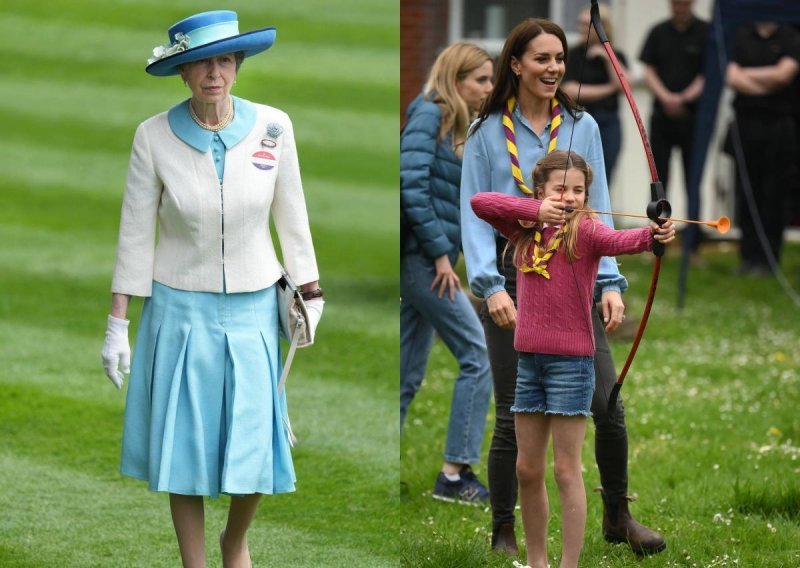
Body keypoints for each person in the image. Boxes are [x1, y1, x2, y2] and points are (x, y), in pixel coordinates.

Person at [100, 10, 324, 567]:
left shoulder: (275, 126)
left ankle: (235, 542)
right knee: (185, 445)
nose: (214, 73)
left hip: (253, 307)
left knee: (256, 437)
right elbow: (134, 232)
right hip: (178, 307)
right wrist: (116, 324)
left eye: (224, 60)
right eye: (201, 62)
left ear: (239, 64)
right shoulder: (151, 137)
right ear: (182, 71)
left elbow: (292, 218)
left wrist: (311, 293)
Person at [460, 18, 667, 556]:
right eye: (541, 59)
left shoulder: (582, 126)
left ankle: (618, 515)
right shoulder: (487, 133)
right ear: (515, 65)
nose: (553, 69)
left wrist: (610, 282)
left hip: (577, 275)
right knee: (513, 412)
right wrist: (488, 285)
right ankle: (504, 528)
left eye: (559, 60)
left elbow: (596, 215)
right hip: (513, 277)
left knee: (606, 401)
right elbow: (476, 211)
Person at [471, 151, 674, 568]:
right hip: (529, 362)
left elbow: (623, 241)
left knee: (566, 470)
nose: (570, 197)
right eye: (560, 189)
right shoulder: (524, 231)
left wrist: (654, 236)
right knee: (528, 469)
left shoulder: (586, 232)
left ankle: (569, 565)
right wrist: (535, 210)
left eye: (579, 190)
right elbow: (480, 203)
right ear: (541, 191)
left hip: (572, 366)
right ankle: (537, 562)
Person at [400, 42, 494, 504]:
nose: (488, 89)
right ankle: (454, 476)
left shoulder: (456, 122)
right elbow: (410, 186)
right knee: (478, 356)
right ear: (456, 80)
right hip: (422, 263)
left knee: (405, 375)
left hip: (425, 260)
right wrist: (440, 253)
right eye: (481, 80)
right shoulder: (430, 113)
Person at [726, 21, 800, 276]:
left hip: (779, 125)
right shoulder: (742, 34)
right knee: (747, 192)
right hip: (746, 124)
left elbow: (784, 75)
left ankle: (769, 259)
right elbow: (731, 76)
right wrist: (767, 82)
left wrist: (748, 75)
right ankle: (748, 257)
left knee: (774, 194)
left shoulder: (790, 35)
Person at [639, 0, 708, 253]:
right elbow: (648, 71)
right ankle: (655, 242)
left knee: (694, 180)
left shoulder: (705, 31)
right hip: (662, 119)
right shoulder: (658, 32)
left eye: (684, 3)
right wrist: (666, 96)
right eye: (675, 3)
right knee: (659, 183)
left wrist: (684, 97)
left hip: (693, 119)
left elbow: (708, 73)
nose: (679, 7)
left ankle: (693, 248)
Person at [562, 4, 628, 186]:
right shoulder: (573, 54)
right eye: (580, 24)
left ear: (601, 27)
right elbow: (571, 91)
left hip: (609, 123)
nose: (581, 29)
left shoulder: (615, 55)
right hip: (579, 120)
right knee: (578, 174)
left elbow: (624, 85)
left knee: (605, 177)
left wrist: (608, 58)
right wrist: (609, 88)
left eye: (586, 25)